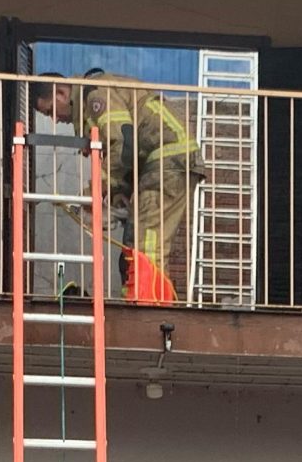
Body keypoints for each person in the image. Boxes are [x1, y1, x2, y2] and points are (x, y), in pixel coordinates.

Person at [30, 71, 196, 301]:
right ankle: (144, 303)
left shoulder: (95, 94)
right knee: (135, 244)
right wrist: (117, 197)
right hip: (160, 163)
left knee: (146, 243)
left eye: (50, 111)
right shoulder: (93, 103)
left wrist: (99, 189)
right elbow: (128, 151)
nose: (54, 120)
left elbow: (123, 143)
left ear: (61, 93)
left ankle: (149, 310)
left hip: (166, 161)